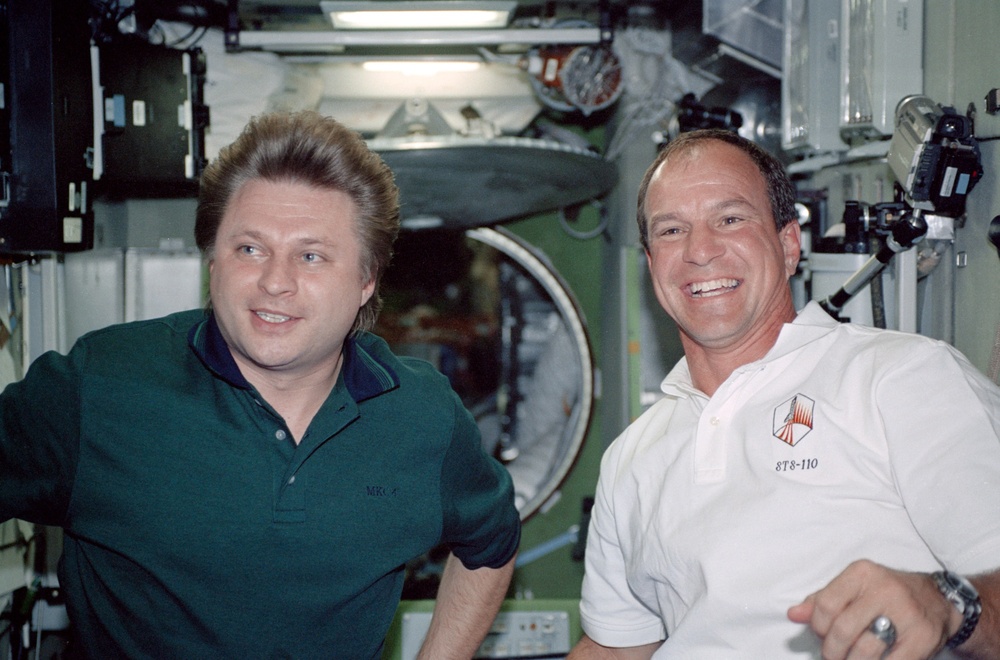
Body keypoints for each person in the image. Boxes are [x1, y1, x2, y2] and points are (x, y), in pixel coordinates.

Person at [0, 111, 520, 659]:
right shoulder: (99, 385)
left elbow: (491, 543)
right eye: (250, 249)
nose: (275, 282)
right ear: (212, 259)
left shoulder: (422, 416)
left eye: (312, 256)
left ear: (366, 280)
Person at [569, 128, 1000, 658]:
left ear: (789, 243)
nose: (699, 250)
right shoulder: (629, 460)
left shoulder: (903, 378)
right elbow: (615, 648)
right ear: (653, 265)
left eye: (730, 219)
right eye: (672, 229)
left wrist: (947, 604)